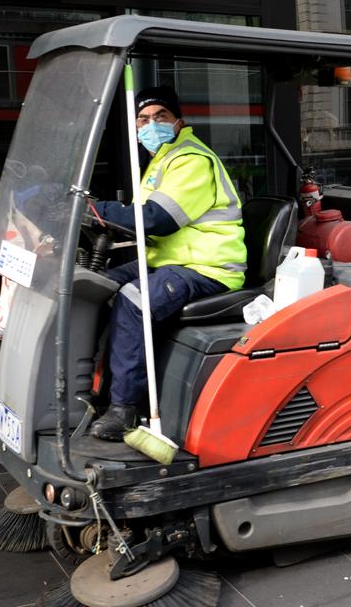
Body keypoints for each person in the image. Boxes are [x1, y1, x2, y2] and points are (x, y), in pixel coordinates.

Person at [89, 85, 246, 440]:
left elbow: (157, 219)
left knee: (133, 300)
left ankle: (124, 409)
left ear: (179, 123)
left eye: (160, 117)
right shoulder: (161, 160)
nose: (151, 124)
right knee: (95, 286)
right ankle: (93, 390)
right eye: (143, 119)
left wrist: (101, 210)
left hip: (208, 267)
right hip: (169, 261)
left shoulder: (190, 159)